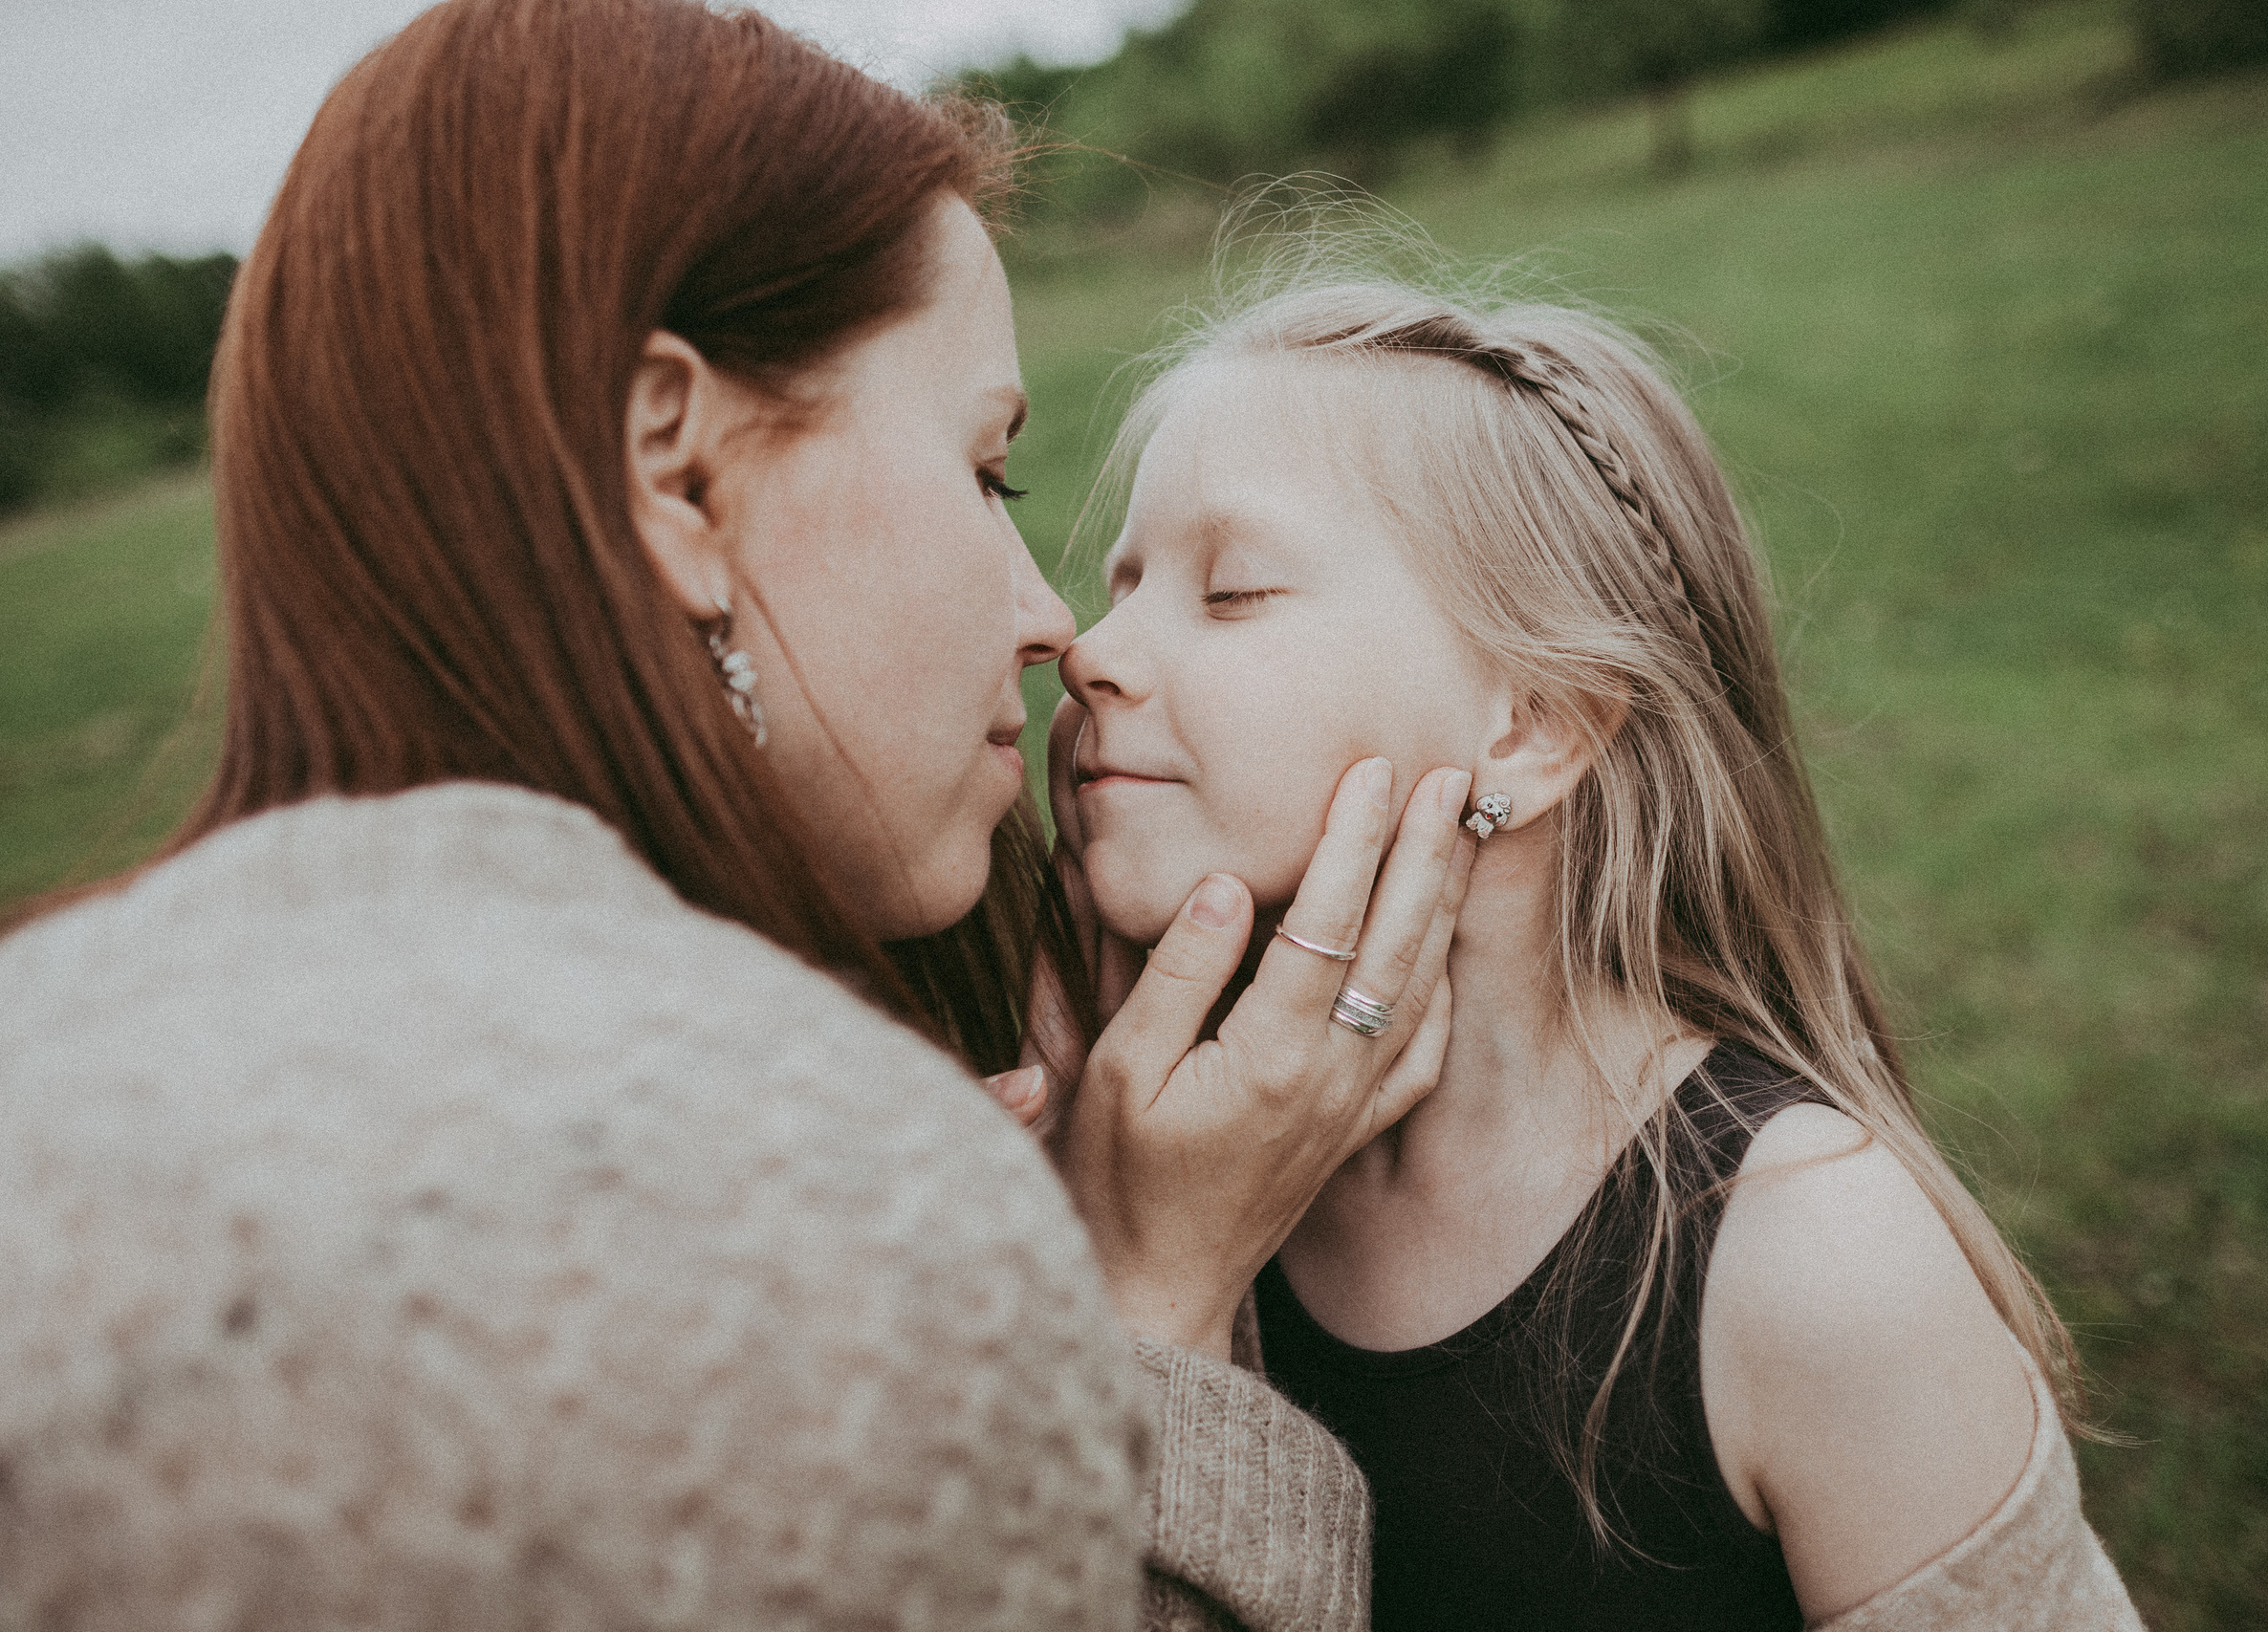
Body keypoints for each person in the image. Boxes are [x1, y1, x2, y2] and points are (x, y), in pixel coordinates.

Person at [0, 4, 1473, 1627]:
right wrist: (1151, 1318)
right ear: (678, 472)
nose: (1050, 619)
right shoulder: (814, 1217)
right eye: (987, 473)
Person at [1048, 268, 2148, 1629]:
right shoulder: (1138, 1173)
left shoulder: (1815, 1267)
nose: (1088, 650)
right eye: (1120, 584)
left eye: (1231, 592)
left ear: (1533, 726)